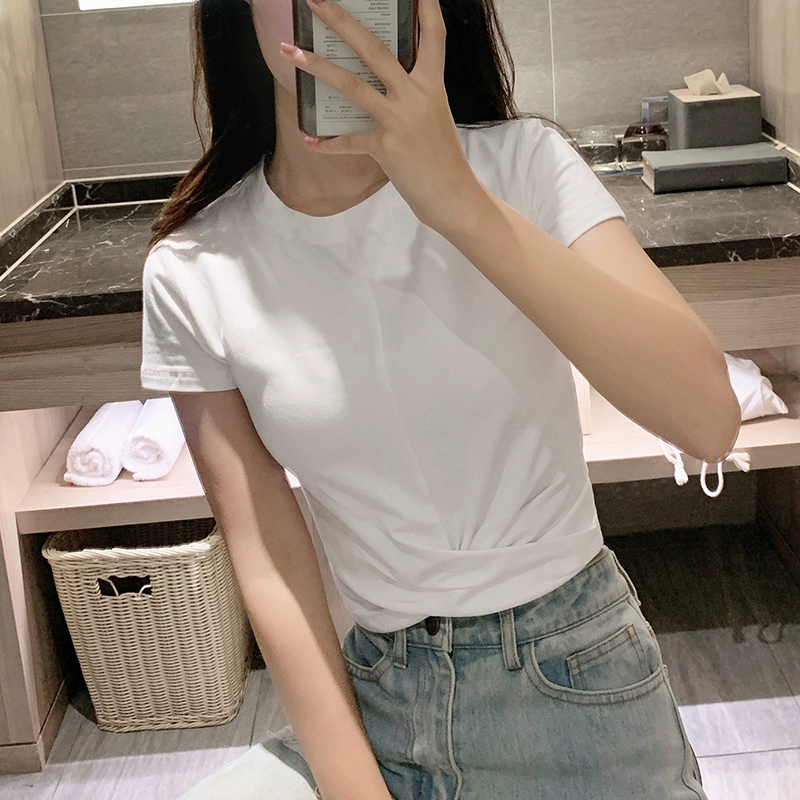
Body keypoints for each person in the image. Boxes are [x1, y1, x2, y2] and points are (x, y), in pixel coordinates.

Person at [140, 0, 740, 797]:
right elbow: (268, 562)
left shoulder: (523, 166)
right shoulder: (195, 268)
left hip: (576, 687)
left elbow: (707, 419)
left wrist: (456, 200)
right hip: (379, 702)